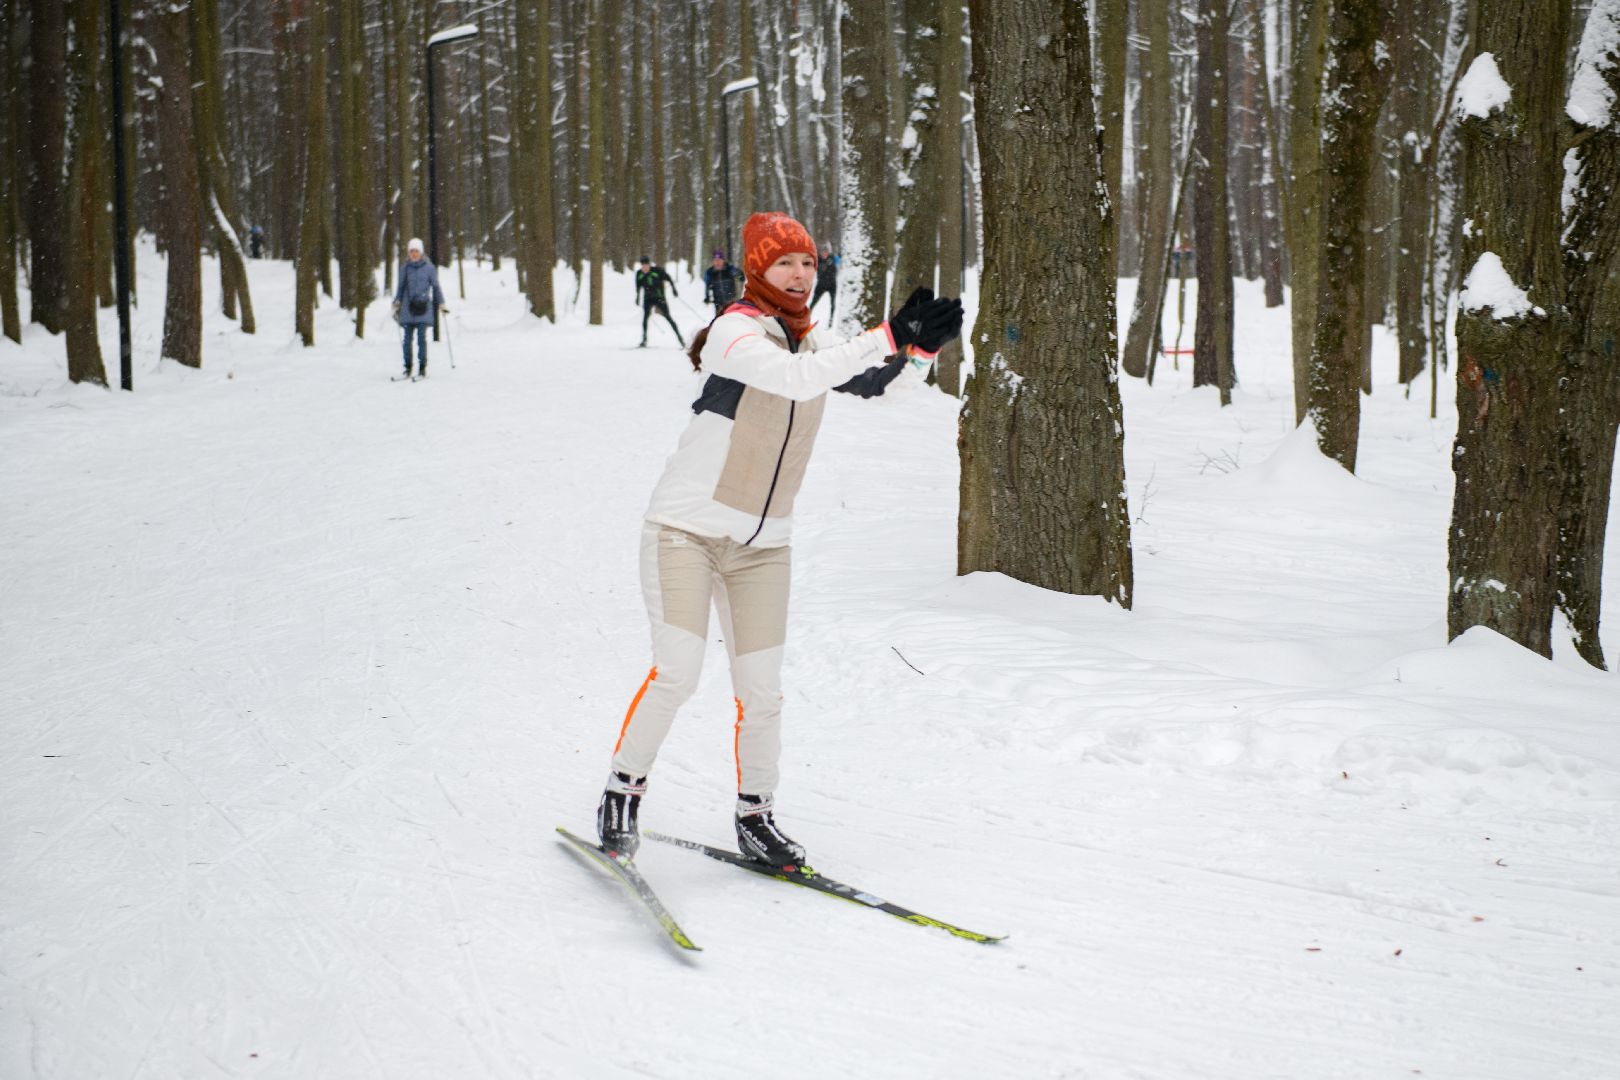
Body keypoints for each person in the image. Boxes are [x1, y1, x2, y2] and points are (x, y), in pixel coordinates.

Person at [595, 211, 963, 867]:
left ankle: (756, 816)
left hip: (763, 550)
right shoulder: (734, 331)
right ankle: (623, 790)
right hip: (684, 533)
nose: (799, 274)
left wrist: (917, 350)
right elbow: (794, 379)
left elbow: (873, 387)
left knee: (763, 692)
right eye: (785, 262)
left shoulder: (812, 341)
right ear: (757, 268)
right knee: (677, 674)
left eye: (808, 263)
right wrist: (885, 334)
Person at [392, 238, 446, 378]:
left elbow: (436, 287)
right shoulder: (404, 268)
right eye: (411, 251)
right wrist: (397, 302)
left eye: (416, 251)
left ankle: (422, 367)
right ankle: (407, 367)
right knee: (407, 340)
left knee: (421, 338)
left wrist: (441, 303)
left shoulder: (429, 268)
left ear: (421, 252)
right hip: (408, 309)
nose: (414, 254)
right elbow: (400, 287)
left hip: (423, 308)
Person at [634, 256, 684, 348]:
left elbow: (669, 278)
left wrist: (674, 290)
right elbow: (638, 286)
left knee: (668, 318)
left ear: (649, 264)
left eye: (646, 265)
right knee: (645, 318)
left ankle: (681, 339)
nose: (645, 268)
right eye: (643, 266)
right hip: (648, 299)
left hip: (659, 298)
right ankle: (644, 340)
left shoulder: (657, 271)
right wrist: (637, 297)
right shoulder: (639, 274)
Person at [701, 250, 744, 317]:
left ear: (723, 260)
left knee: (732, 319)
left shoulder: (729, 269)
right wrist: (707, 297)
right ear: (713, 261)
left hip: (732, 302)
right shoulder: (710, 273)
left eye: (719, 260)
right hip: (718, 304)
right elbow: (707, 286)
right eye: (715, 260)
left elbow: (741, 277)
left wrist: (738, 273)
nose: (717, 262)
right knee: (720, 320)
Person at [810, 243, 840, 319]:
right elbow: (816, 270)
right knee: (813, 302)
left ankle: (831, 319)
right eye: (823, 252)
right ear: (820, 253)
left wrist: (831, 264)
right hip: (821, 285)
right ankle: (807, 316)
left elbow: (836, 269)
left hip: (832, 284)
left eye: (826, 252)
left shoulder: (832, 259)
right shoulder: (818, 260)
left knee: (833, 303)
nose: (825, 254)